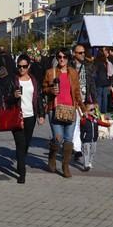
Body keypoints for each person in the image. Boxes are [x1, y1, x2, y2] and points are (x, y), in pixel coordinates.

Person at [0, 54, 45, 183]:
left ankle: (20, 161)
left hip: (31, 116)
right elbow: (5, 98)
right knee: (20, 143)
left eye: (24, 66)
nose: (22, 69)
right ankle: (22, 173)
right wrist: (13, 96)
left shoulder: (33, 80)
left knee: (26, 144)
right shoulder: (13, 80)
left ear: (29, 66)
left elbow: (38, 98)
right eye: (19, 66)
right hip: (17, 116)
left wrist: (41, 114)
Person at [42, 48, 85, 178]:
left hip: (70, 109)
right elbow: (43, 89)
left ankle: (65, 166)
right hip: (55, 109)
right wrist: (50, 90)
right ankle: (52, 155)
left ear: (68, 58)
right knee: (58, 138)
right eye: (59, 57)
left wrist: (83, 109)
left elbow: (77, 92)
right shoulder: (51, 72)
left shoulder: (73, 73)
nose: (62, 59)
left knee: (69, 140)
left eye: (64, 57)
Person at [71, 44, 97, 161]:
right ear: (74, 54)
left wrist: (94, 100)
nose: (83, 55)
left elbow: (91, 83)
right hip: (73, 99)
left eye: (83, 52)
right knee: (76, 123)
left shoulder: (88, 66)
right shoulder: (69, 66)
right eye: (80, 53)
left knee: (83, 123)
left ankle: (76, 144)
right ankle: (77, 149)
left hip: (84, 99)